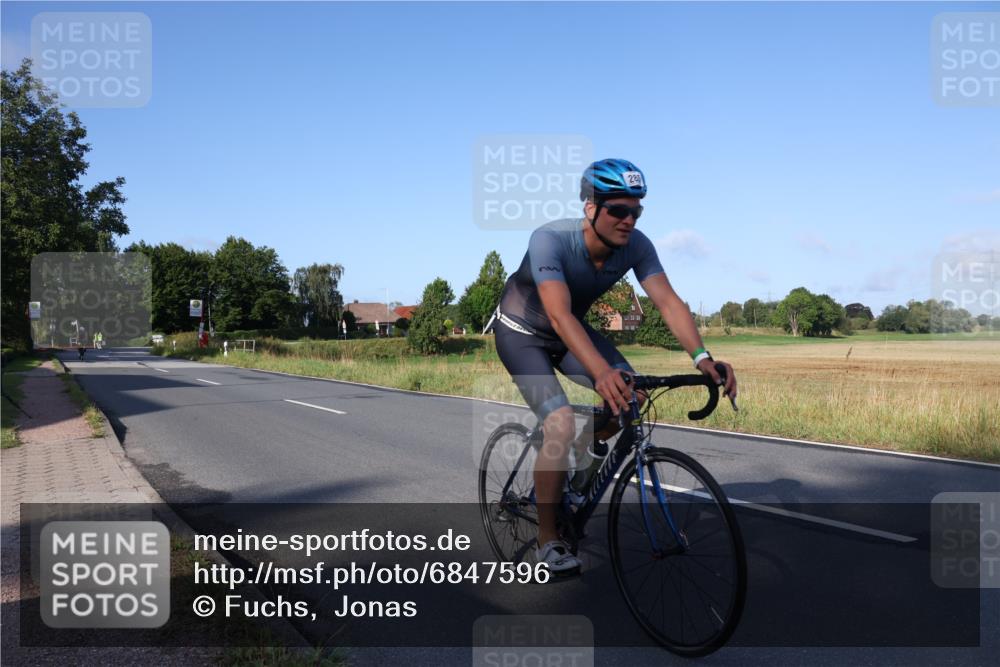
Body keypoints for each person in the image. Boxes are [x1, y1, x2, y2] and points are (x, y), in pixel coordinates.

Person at [493, 158, 738, 575]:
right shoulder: (550, 240)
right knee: (561, 422)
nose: (629, 219)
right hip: (522, 332)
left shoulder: (636, 246)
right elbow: (558, 315)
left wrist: (703, 358)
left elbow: (668, 302)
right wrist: (602, 372)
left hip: (570, 331)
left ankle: (572, 464)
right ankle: (548, 540)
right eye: (619, 210)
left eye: (636, 211)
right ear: (590, 207)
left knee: (633, 395)